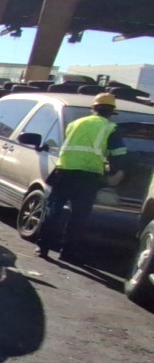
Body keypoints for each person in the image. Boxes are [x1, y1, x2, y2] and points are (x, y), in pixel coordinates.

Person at [38, 92, 129, 260]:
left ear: (93, 108)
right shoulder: (110, 128)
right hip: (88, 177)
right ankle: (67, 253)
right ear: (111, 112)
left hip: (64, 171)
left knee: (53, 210)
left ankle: (43, 247)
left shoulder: (74, 124)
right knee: (78, 216)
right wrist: (117, 171)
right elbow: (119, 154)